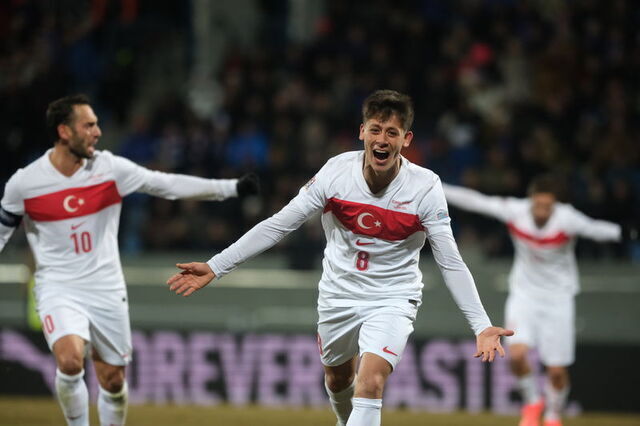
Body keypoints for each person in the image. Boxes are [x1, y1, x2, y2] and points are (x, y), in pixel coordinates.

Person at [166, 89, 513, 426]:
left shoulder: (424, 187)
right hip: (338, 294)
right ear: (362, 132)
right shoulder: (335, 173)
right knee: (337, 380)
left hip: (392, 296)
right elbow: (279, 225)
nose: (382, 140)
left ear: (406, 139)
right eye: (375, 130)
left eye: (392, 133)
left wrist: (481, 325)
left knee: (370, 382)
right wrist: (216, 265)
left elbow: (450, 260)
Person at [0, 94, 259, 426]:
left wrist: (231, 188)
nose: (97, 132)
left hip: (105, 288)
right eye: (88, 125)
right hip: (57, 287)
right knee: (70, 361)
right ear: (64, 132)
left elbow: (167, 185)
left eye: (97, 124)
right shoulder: (25, 184)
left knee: (112, 381)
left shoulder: (110, 170)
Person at [442, 176, 622, 426]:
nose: (541, 212)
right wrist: (436, 185)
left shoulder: (567, 219)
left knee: (556, 371)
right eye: (537, 205)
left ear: (556, 205)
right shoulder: (516, 211)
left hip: (559, 299)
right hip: (524, 295)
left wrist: (626, 232)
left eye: (547, 207)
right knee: (516, 355)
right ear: (530, 201)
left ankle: (553, 415)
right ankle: (532, 402)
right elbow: (476, 201)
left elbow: (598, 229)